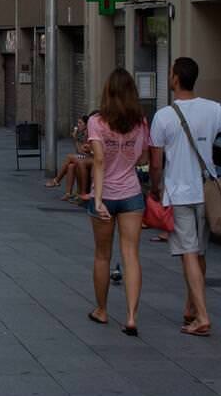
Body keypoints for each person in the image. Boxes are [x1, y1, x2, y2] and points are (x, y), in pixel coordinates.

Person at [148, 57, 221, 337]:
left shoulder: (164, 116)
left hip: (180, 192)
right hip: (206, 191)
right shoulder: (213, 109)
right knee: (199, 252)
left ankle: (202, 316)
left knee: (188, 253)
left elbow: (156, 163)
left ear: (174, 79)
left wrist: (155, 189)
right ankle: (191, 306)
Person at [84, 69, 149, 336]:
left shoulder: (97, 122)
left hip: (105, 196)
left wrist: (97, 199)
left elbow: (98, 161)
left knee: (102, 255)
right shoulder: (140, 123)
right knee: (131, 255)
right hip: (132, 194)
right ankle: (132, 316)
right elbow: (143, 159)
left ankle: (101, 310)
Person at [46, 116, 93, 202]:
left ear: (86, 125)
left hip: (90, 158)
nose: (78, 125)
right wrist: (76, 139)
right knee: (71, 166)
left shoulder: (88, 133)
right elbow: (80, 151)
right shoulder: (83, 134)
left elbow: (83, 152)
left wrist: (75, 139)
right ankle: (68, 193)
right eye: (77, 123)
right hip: (86, 157)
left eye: (80, 123)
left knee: (69, 157)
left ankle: (56, 180)